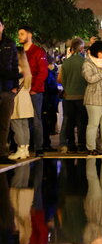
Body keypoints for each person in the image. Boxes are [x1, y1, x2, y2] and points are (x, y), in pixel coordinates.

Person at [17, 26, 48, 156]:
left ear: (30, 35)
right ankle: (23, 146)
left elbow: (43, 72)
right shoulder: (18, 51)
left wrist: (34, 89)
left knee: (36, 119)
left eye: (22, 34)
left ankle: (38, 147)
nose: (19, 36)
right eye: (19, 34)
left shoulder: (38, 52)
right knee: (21, 118)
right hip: (21, 90)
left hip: (34, 91)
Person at [57, 38, 87, 153]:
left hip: (68, 96)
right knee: (81, 122)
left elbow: (59, 79)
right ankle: (81, 144)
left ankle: (71, 145)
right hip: (82, 96)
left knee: (69, 122)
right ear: (81, 48)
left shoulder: (66, 62)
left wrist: (67, 85)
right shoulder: (84, 62)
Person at [9, 48, 33, 160]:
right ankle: (26, 148)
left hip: (17, 98)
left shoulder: (16, 70)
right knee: (24, 125)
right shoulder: (27, 70)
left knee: (16, 124)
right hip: (25, 98)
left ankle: (20, 148)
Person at [0, 18, 18, 164]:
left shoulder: (9, 44)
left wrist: (15, 86)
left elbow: (14, 64)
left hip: (7, 88)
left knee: (4, 123)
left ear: (2, 27)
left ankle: (2, 152)